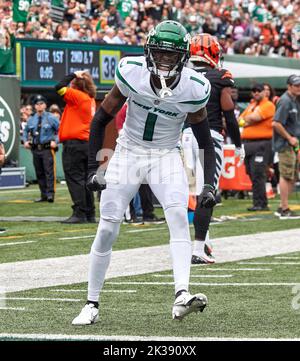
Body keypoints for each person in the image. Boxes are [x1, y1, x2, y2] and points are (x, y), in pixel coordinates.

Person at [72, 20, 217, 325]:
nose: (165, 60)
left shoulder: (194, 87)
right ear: (149, 51)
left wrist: (207, 184)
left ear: (184, 57)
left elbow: (204, 139)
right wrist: (94, 167)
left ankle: (181, 295)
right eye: (160, 53)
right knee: (108, 227)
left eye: (171, 55)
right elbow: (100, 120)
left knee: (178, 216)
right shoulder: (131, 72)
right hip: (128, 152)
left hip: (165, 155)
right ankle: (91, 302)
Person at [184, 33, 244, 265]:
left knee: (194, 192)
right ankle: (199, 248)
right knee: (207, 192)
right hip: (210, 137)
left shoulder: (184, 75)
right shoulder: (220, 76)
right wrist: (238, 144)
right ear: (212, 53)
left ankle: (202, 242)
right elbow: (228, 112)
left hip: (186, 136)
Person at [55, 70, 97, 224]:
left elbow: (58, 86)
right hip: (86, 144)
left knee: (75, 179)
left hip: (74, 144)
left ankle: (79, 213)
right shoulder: (90, 99)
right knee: (85, 179)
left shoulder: (77, 96)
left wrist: (73, 74)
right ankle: (89, 213)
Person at [238, 83, 275, 211]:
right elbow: (240, 119)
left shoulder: (268, 105)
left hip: (262, 143)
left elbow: (256, 117)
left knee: (258, 173)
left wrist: (246, 121)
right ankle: (258, 202)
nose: (256, 93)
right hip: (248, 144)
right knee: (251, 173)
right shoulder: (252, 105)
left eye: (258, 91)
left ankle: (261, 203)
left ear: (264, 92)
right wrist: (248, 121)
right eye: (254, 91)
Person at [272, 74, 300, 219]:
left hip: (293, 144)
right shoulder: (285, 101)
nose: (299, 88)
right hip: (285, 144)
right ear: (289, 86)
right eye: (296, 85)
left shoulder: (294, 100)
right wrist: (289, 138)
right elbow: (276, 123)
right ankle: (284, 208)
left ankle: (283, 206)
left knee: (292, 176)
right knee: (286, 175)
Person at [23, 95, 59, 203]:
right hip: (35, 149)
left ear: (45, 105)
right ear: (34, 106)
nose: (39, 106)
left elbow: (60, 130)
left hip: (47, 148)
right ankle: (43, 195)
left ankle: (50, 195)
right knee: (39, 173)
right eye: (37, 104)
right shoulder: (31, 119)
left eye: (41, 103)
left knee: (49, 172)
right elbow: (25, 131)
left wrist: (55, 141)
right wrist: (25, 141)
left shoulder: (51, 117)